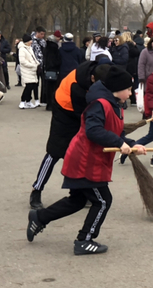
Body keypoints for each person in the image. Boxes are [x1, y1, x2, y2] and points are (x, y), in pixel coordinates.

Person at [26, 67, 148, 255]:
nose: (131, 93)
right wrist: (118, 142)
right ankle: (84, 240)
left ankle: (39, 217)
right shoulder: (99, 104)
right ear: (118, 88)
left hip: (92, 161)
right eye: (129, 89)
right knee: (104, 201)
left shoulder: (115, 105)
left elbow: (118, 134)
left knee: (77, 201)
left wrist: (133, 145)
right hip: (85, 161)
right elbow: (93, 131)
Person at [28, 59, 112, 209]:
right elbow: (85, 115)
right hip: (64, 109)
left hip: (79, 109)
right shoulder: (77, 87)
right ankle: (37, 189)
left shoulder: (100, 72)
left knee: (80, 153)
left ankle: (79, 192)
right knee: (54, 152)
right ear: (93, 79)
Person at [18, 34, 41, 109]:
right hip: (27, 70)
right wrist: (33, 65)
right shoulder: (22, 49)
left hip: (32, 70)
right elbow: (22, 61)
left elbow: (33, 57)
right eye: (30, 40)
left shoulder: (29, 48)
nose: (31, 42)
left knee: (33, 85)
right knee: (28, 86)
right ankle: (22, 101)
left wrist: (37, 63)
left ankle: (28, 101)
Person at [42, 34, 62, 110]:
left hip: (47, 70)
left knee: (48, 88)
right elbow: (57, 61)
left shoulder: (46, 49)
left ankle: (48, 103)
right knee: (54, 88)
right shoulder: (56, 49)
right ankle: (53, 104)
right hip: (54, 70)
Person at [121, 32, 140, 105]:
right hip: (131, 65)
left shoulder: (121, 45)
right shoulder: (131, 45)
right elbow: (136, 53)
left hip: (124, 65)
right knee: (133, 82)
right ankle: (133, 99)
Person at [31, 27, 47, 106]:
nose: (42, 36)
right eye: (41, 34)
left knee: (44, 82)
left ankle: (43, 99)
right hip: (35, 64)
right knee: (35, 83)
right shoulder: (32, 41)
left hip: (43, 64)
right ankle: (35, 98)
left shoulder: (43, 42)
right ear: (37, 33)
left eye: (43, 34)